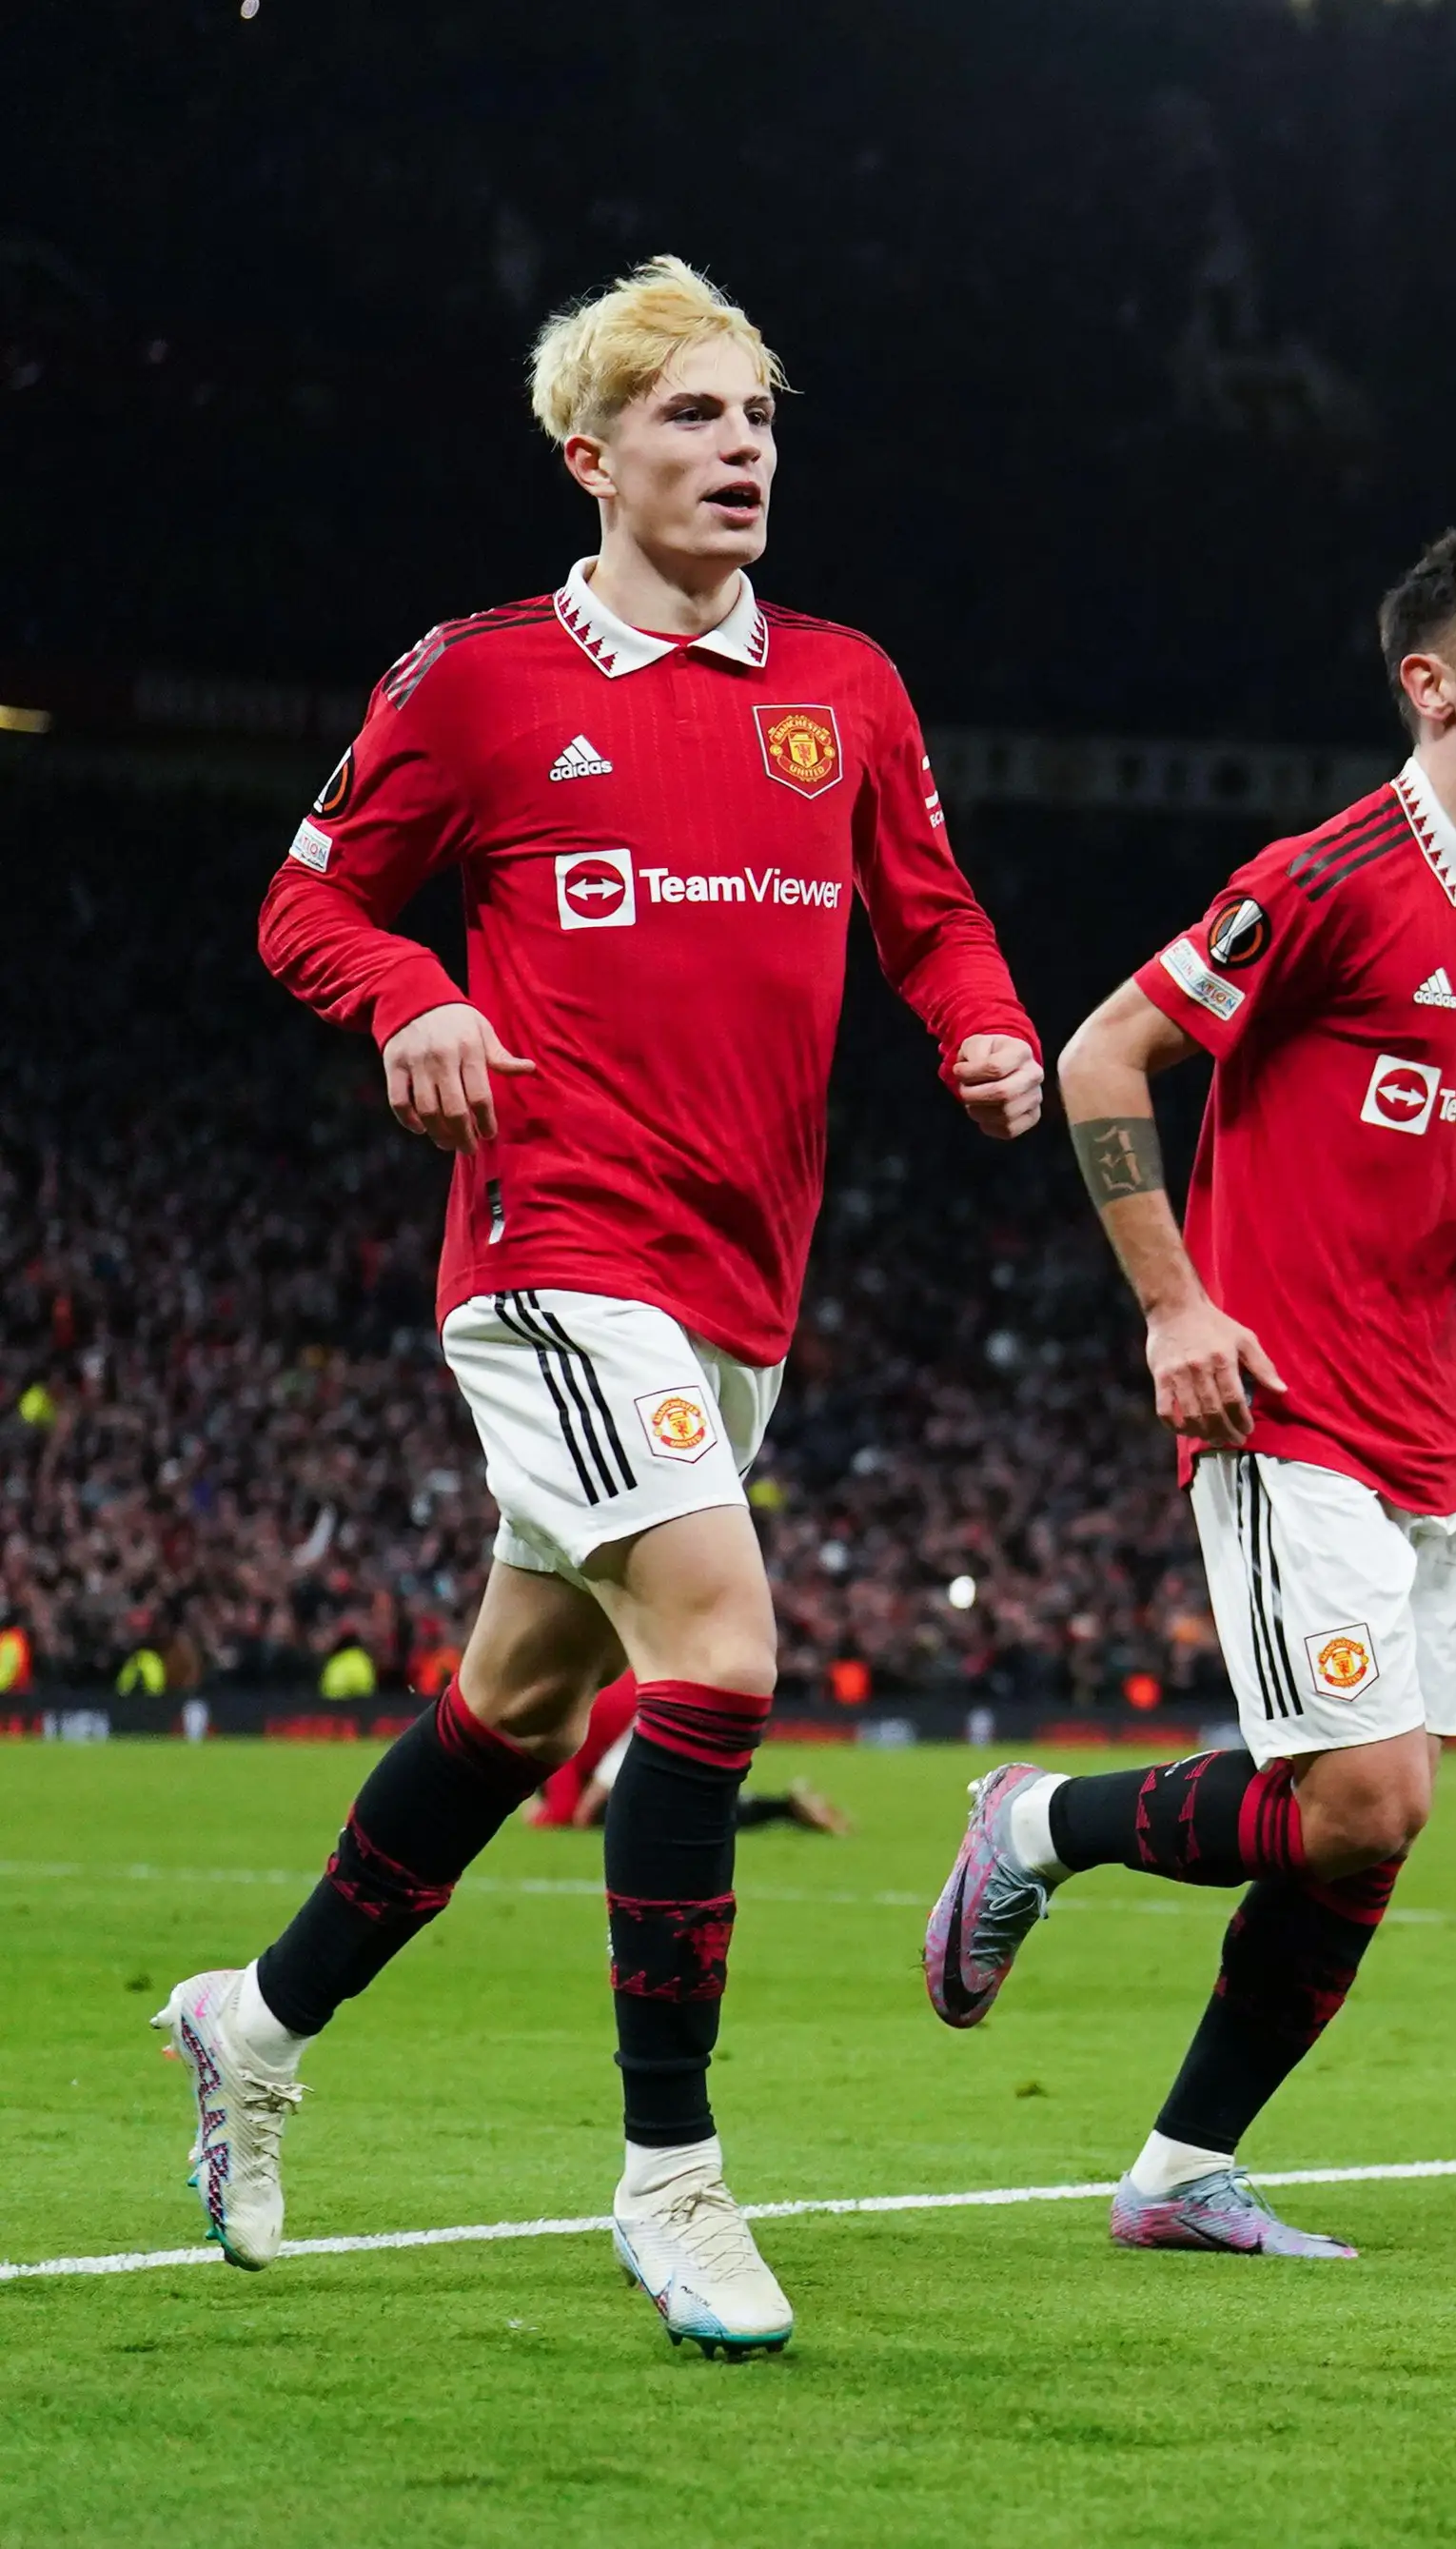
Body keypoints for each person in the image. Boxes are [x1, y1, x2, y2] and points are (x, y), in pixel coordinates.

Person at [158, 256, 1043, 2357]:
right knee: (719, 1647)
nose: (741, 449)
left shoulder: (849, 685)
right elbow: (307, 901)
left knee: (520, 1703)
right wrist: (416, 989)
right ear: (592, 455)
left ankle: (255, 2018)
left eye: (757, 416)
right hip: (557, 1250)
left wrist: (986, 1032)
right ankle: (675, 2181)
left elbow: (933, 916)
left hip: (743, 1284)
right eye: (692, 417)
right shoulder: (474, 684)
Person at [922, 527, 1456, 2258]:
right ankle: (1036, 1823)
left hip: (1442, 1425)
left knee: (1357, 1843)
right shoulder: (1332, 872)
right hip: (1281, 1405)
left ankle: (1179, 2169)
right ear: (1431, 686)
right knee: (1371, 1796)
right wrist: (1176, 1308)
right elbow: (1101, 1055)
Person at [525, 1675, 851, 1835]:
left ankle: (782, 1808)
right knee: (683, 1802)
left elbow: (565, 1811)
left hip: (661, 1709)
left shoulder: (553, 1742)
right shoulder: (570, 1710)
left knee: (646, 1814)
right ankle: (781, 1807)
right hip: (676, 1693)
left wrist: (540, 1813)